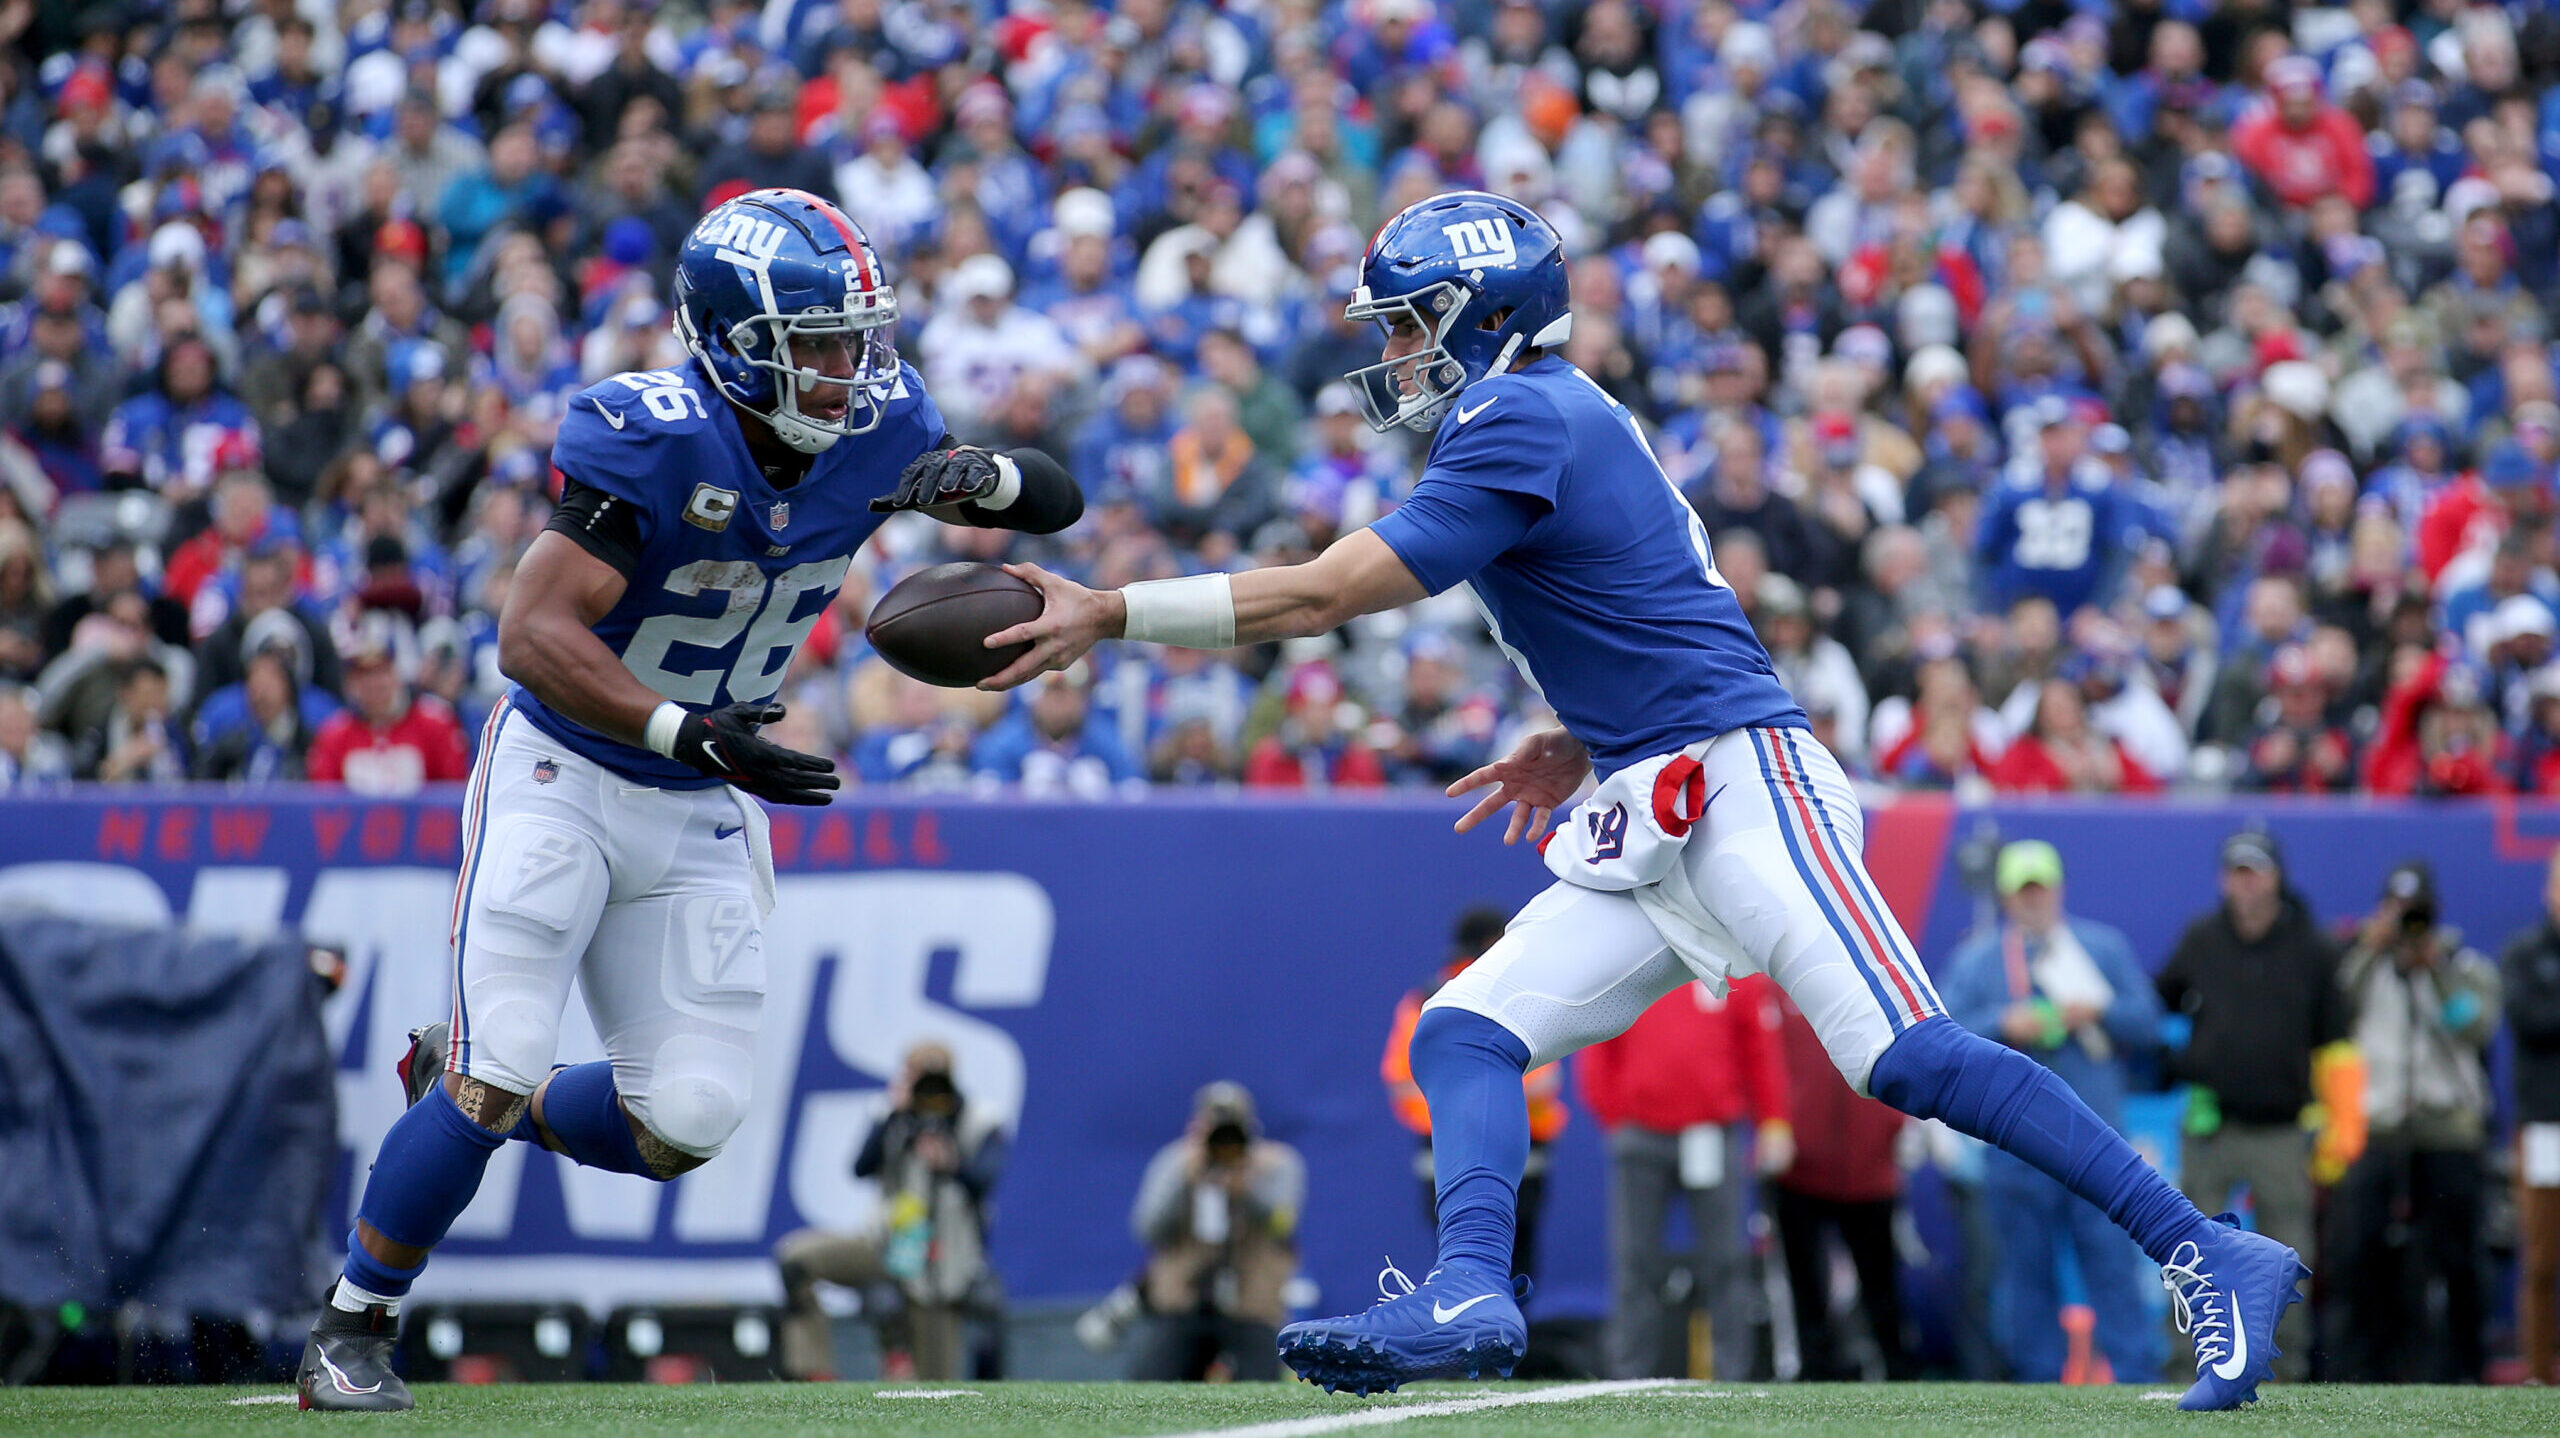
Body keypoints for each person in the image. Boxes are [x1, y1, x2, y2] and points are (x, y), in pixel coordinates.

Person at [981, 191, 2303, 1409]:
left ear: (1481, 317)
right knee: (1465, 1030)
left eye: (1407, 323)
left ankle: (2208, 1249)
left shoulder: (1519, 413)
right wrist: (1577, 727)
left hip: (1739, 772)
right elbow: (1641, 596)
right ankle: (1471, 1287)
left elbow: (1328, 594)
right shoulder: (1542, 413)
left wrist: (1110, 610)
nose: (1390, 352)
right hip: (1658, 783)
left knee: (1904, 1052)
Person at [296, 189, 1083, 1412]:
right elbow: (530, 632)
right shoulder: (652, 434)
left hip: (703, 792)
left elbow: (1054, 500)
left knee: (688, 1123)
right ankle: (354, 1325)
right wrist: (683, 726)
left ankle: (457, 1087)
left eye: (854, 337)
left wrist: (975, 476)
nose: (845, 368)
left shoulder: (885, 423)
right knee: (504, 1058)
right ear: (728, 339)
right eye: (815, 343)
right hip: (565, 769)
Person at [1939, 841, 2164, 1384]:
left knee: (2112, 1268)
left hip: (2098, 1145)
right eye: (2023, 891)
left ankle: (2137, 1380)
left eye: (2041, 889)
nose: (2033, 901)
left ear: (2059, 890)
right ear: (2006, 897)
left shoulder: (2101, 949)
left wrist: (2099, 1008)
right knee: (2024, 1276)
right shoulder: (1979, 961)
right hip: (2016, 1148)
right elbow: (1946, 1032)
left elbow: (2149, 1025)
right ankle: (2035, 1385)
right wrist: (2004, 1024)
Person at [2153, 829, 2343, 1383]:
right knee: (2188, 1253)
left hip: (2283, 1129)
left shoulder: (2313, 947)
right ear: (2223, 879)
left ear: (2277, 877)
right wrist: (2181, 1062)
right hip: (2211, 1123)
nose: (2246, 883)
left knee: (2289, 1257)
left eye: (2255, 871)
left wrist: (2339, 1123)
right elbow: (2159, 1002)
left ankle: (2286, 1377)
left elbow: (2336, 1044)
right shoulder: (2202, 938)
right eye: (2236, 871)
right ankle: (2185, 1374)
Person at [2327, 860, 2502, 1384]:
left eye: (2416, 913)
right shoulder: (2365, 965)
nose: (2408, 924)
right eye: (2399, 912)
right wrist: (2370, 948)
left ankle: (2465, 1370)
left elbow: (2475, 1027)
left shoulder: (2463, 966)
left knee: (2458, 1258)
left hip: (2447, 1130)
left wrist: (2435, 969)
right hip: (2376, 1131)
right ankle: (2359, 1373)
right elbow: (2332, 1012)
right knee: (2360, 1258)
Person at [1577, 973, 1790, 1380]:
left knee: (1726, 1261)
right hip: (1640, 1133)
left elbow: (1759, 1044)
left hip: (1712, 1131)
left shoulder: (1734, 964)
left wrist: (1775, 1121)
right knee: (1634, 1263)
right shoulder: (1631, 961)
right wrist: (1616, 1114)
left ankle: (1733, 1376)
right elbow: (1599, 1034)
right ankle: (1627, 1376)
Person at [773, 1042, 1008, 1382]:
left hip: (942, 1265)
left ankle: (903, 1368)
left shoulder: (979, 1119)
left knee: (934, 1386)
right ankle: (815, 1372)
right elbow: (860, 1167)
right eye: (918, 1078)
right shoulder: (892, 1114)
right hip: (884, 1245)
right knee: (796, 1259)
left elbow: (984, 1181)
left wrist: (951, 1164)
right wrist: (894, 1115)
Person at [1382, 908, 1568, 1283]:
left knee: (1458, 1256)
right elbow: (1543, 1081)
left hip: (1444, 1148)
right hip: (1521, 1147)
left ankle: (1466, 1332)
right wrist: (1492, 1100)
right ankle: (1511, 1336)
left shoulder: (1426, 1000)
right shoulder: (1520, 992)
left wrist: (1456, 1107)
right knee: (1517, 1259)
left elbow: (1402, 1079)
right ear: (1494, 942)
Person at [1768, 989, 1911, 1382]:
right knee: (1805, 1289)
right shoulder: (1777, 987)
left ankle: (1895, 1371)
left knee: (1882, 1286)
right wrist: (1777, 1126)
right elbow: (1763, 1059)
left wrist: (1893, 1128)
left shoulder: (1877, 987)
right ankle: (1813, 1373)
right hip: (1799, 1165)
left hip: (1870, 1168)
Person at [1128, 1082, 1306, 1382]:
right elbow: (1147, 1228)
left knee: (1262, 1395)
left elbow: (1283, 1224)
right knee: (1150, 1387)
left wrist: (1248, 1188)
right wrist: (1188, 1177)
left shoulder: (1276, 1165)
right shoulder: (1177, 1162)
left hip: (1252, 1307)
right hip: (1182, 1304)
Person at [2503, 847, 2560, 1386]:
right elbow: (2529, 1019)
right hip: (2548, 1123)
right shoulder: (2525, 954)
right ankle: (2540, 1370)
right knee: (2542, 1257)